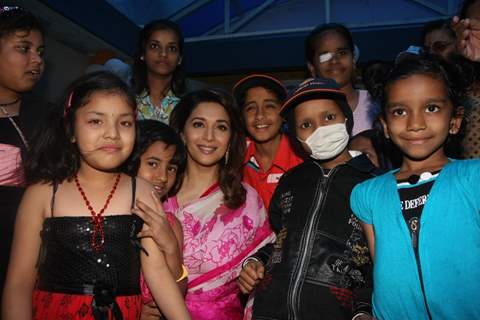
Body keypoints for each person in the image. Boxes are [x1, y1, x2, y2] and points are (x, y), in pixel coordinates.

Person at [1, 72, 190, 320]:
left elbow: (156, 272)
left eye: (124, 123)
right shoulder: (43, 194)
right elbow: (19, 283)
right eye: (96, 121)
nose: (112, 133)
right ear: (70, 130)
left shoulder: (141, 191)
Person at [350, 55, 480, 319]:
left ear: (455, 120)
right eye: (400, 111)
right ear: (385, 126)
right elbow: (380, 269)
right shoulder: (367, 194)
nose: (415, 123)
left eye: (431, 108)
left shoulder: (473, 178)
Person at [238, 78, 377, 320]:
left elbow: (379, 262)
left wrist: (363, 309)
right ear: (295, 136)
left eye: (329, 118)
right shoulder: (291, 181)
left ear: (347, 118)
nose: (319, 129)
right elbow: (283, 242)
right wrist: (255, 261)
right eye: (306, 124)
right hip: (271, 312)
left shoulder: (373, 183)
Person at [167, 89, 275, 319]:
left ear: (230, 139)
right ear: (182, 133)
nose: (209, 136)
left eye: (221, 127)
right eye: (198, 124)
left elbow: (268, 257)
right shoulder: (158, 194)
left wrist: (254, 269)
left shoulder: (246, 200)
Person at [0, 5, 50, 298]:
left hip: (37, 267)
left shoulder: (50, 119)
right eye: (24, 48)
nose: (36, 60)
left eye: (40, 51)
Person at [126, 119, 188, 319]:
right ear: (131, 160)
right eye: (152, 164)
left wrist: (170, 246)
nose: (162, 176)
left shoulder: (170, 223)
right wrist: (134, 310)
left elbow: (178, 292)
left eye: (171, 168)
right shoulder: (112, 214)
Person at [233, 74, 303, 209]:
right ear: (242, 117)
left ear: (283, 114)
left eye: (269, 106)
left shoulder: (302, 156)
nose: (260, 115)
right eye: (251, 108)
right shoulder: (235, 158)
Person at [305, 23, 378, 135]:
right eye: (325, 56)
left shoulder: (375, 103)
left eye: (342, 53)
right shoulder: (306, 114)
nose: (334, 61)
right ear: (312, 67)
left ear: (353, 59)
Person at [133, 19, 186, 124]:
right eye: (154, 46)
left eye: (171, 48)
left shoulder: (188, 105)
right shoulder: (127, 100)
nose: (163, 54)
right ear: (142, 54)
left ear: (179, 59)